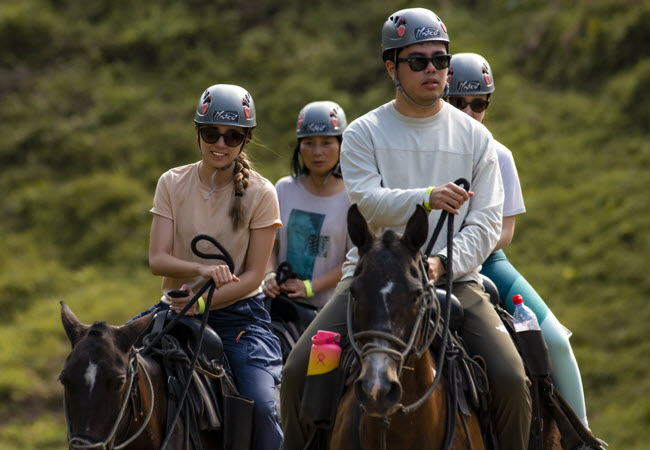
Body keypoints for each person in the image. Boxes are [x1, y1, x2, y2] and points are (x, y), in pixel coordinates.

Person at [280, 8, 531, 450]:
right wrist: (428, 196)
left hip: (456, 280)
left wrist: (441, 264)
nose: (433, 69)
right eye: (419, 61)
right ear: (391, 67)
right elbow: (368, 203)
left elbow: (488, 221)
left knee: (511, 377)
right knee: (299, 372)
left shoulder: (478, 140)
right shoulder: (362, 133)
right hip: (368, 281)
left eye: (441, 59)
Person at [447, 52, 590, 428]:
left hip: (489, 262)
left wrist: (462, 251)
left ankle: (582, 434)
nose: (468, 111)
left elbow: (504, 232)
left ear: (487, 105)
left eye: (478, 103)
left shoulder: (500, 155)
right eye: (457, 102)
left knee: (556, 340)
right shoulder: (431, 151)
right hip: (432, 263)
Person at [147, 84, 283, 449]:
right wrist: (202, 271)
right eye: (211, 133)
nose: (220, 144)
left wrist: (204, 302)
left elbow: (254, 275)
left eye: (233, 136)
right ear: (197, 132)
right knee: (106, 370)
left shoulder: (262, 193)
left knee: (261, 406)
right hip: (174, 309)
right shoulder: (171, 182)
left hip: (239, 317)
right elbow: (157, 259)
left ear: (246, 140)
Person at [261, 101, 352, 311]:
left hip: (328, 311)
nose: (317, 151)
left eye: (326, 142)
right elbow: (269, 244)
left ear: (341, 143)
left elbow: (355, 259)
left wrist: (310, 287)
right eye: (309, 143)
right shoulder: (284, 189)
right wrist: (270, 274)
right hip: (279, 307)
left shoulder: (353, 197)